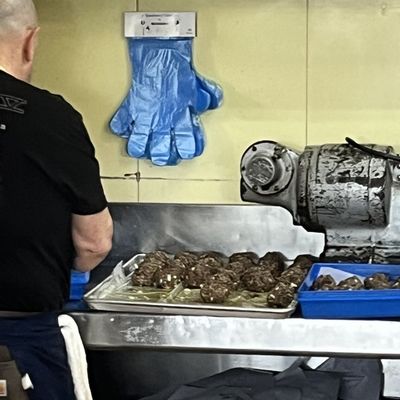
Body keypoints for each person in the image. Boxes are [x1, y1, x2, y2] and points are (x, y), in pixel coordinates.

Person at [0, 0, 113, 399]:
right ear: (29, 42)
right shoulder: (51, 118)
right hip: (19, 337)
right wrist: (72, 270)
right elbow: (93, 243)